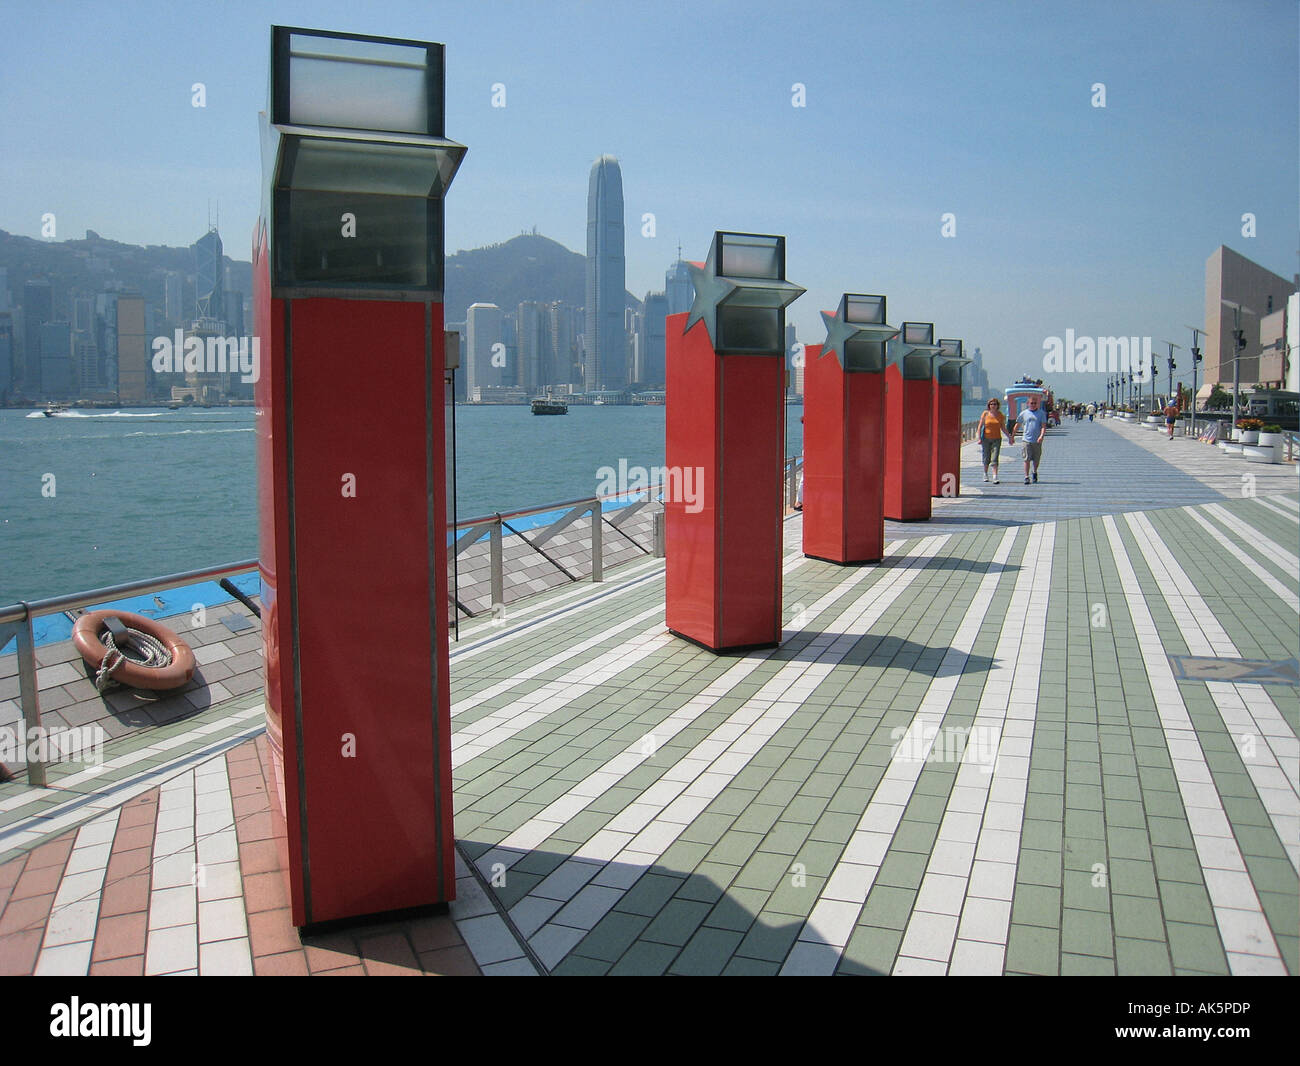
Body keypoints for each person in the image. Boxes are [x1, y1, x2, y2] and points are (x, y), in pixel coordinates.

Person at [1010, 393, 1047, 483]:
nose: (1033, 405)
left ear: (1037, 404)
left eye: (1035, 403)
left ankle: (1034, 471)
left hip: (1037, 440)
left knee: (1036, 459)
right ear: (1028, 404)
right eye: (1031, 403)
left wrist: (1041, 436)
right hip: (1026, 440)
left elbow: (1043, 426)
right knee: (1026, 459)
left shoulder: (1041, 413)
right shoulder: (1024, 413)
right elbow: (1017, 424)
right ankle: (1026, 476)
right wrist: (1012, 436)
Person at [976, 398, 1007, 483]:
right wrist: (979, 438)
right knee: (986, 457)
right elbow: (980, 426)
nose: (993, 406)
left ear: (997, 405)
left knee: (995, 457)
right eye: (991, 404)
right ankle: (985, 474)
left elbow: (1003, 427)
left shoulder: (1000, 415)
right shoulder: (985, 414)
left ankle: (995, 476)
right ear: (989, 405)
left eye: (995, 404)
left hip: (997, 439)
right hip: (985, 439)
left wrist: (1010, 437)